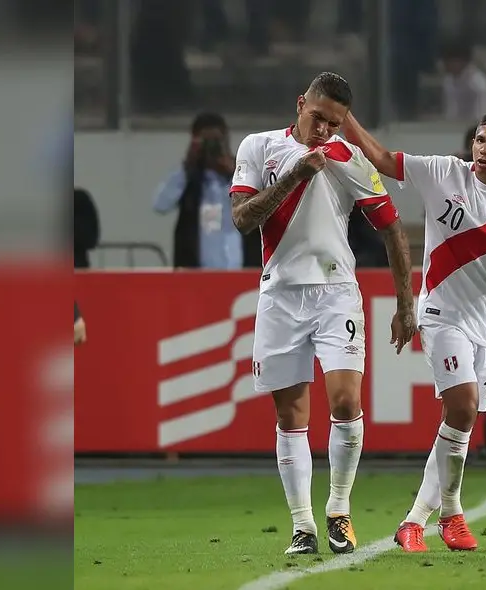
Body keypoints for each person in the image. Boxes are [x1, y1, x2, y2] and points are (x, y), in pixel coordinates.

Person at [342, 110, 486, 552]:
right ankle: (451, 513)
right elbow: (385, 159)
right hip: (441, 315)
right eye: (481, 141)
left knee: (461, 421)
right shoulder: (444, 173)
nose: (484, 149)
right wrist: (345, 117)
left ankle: (422, 519)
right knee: (463, 406)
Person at [229, 72, 416, 556]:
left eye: (334, 124)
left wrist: (405, 303)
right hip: (280, 295)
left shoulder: (350, 159)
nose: (325, 132)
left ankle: (338, 512)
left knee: (345, 402)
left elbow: (394, 232)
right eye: (318, 119)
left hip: (336, 294)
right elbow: (243, 218)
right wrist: (296, 172)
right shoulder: (259, 147)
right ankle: (302, 527)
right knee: (290, 416)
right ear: (300, 105)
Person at [153, 112, 243, 269]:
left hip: (242, 272)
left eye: (216, 141)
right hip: (196, 274)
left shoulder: (243, 173)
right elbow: (160, 205)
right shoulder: (187, 178)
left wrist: (233, 173)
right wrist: (187, 165)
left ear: (226, 140)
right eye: (206, 141)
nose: (211, 147)